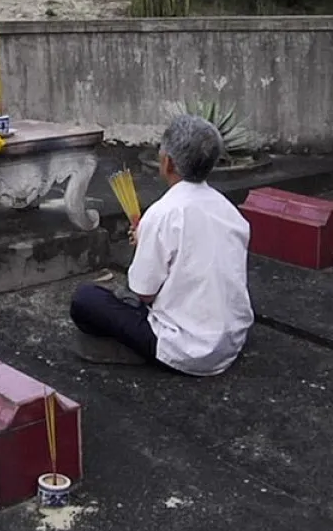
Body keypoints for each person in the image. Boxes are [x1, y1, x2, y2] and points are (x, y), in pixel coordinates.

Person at [69, 114, 254, 376]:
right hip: (231, 340)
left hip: (185, 347)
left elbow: (143, 292)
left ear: (167, 162)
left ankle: (138, 351)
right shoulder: (229, 211)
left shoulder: (163, 212)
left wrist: (144, 248)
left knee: (85, 299)